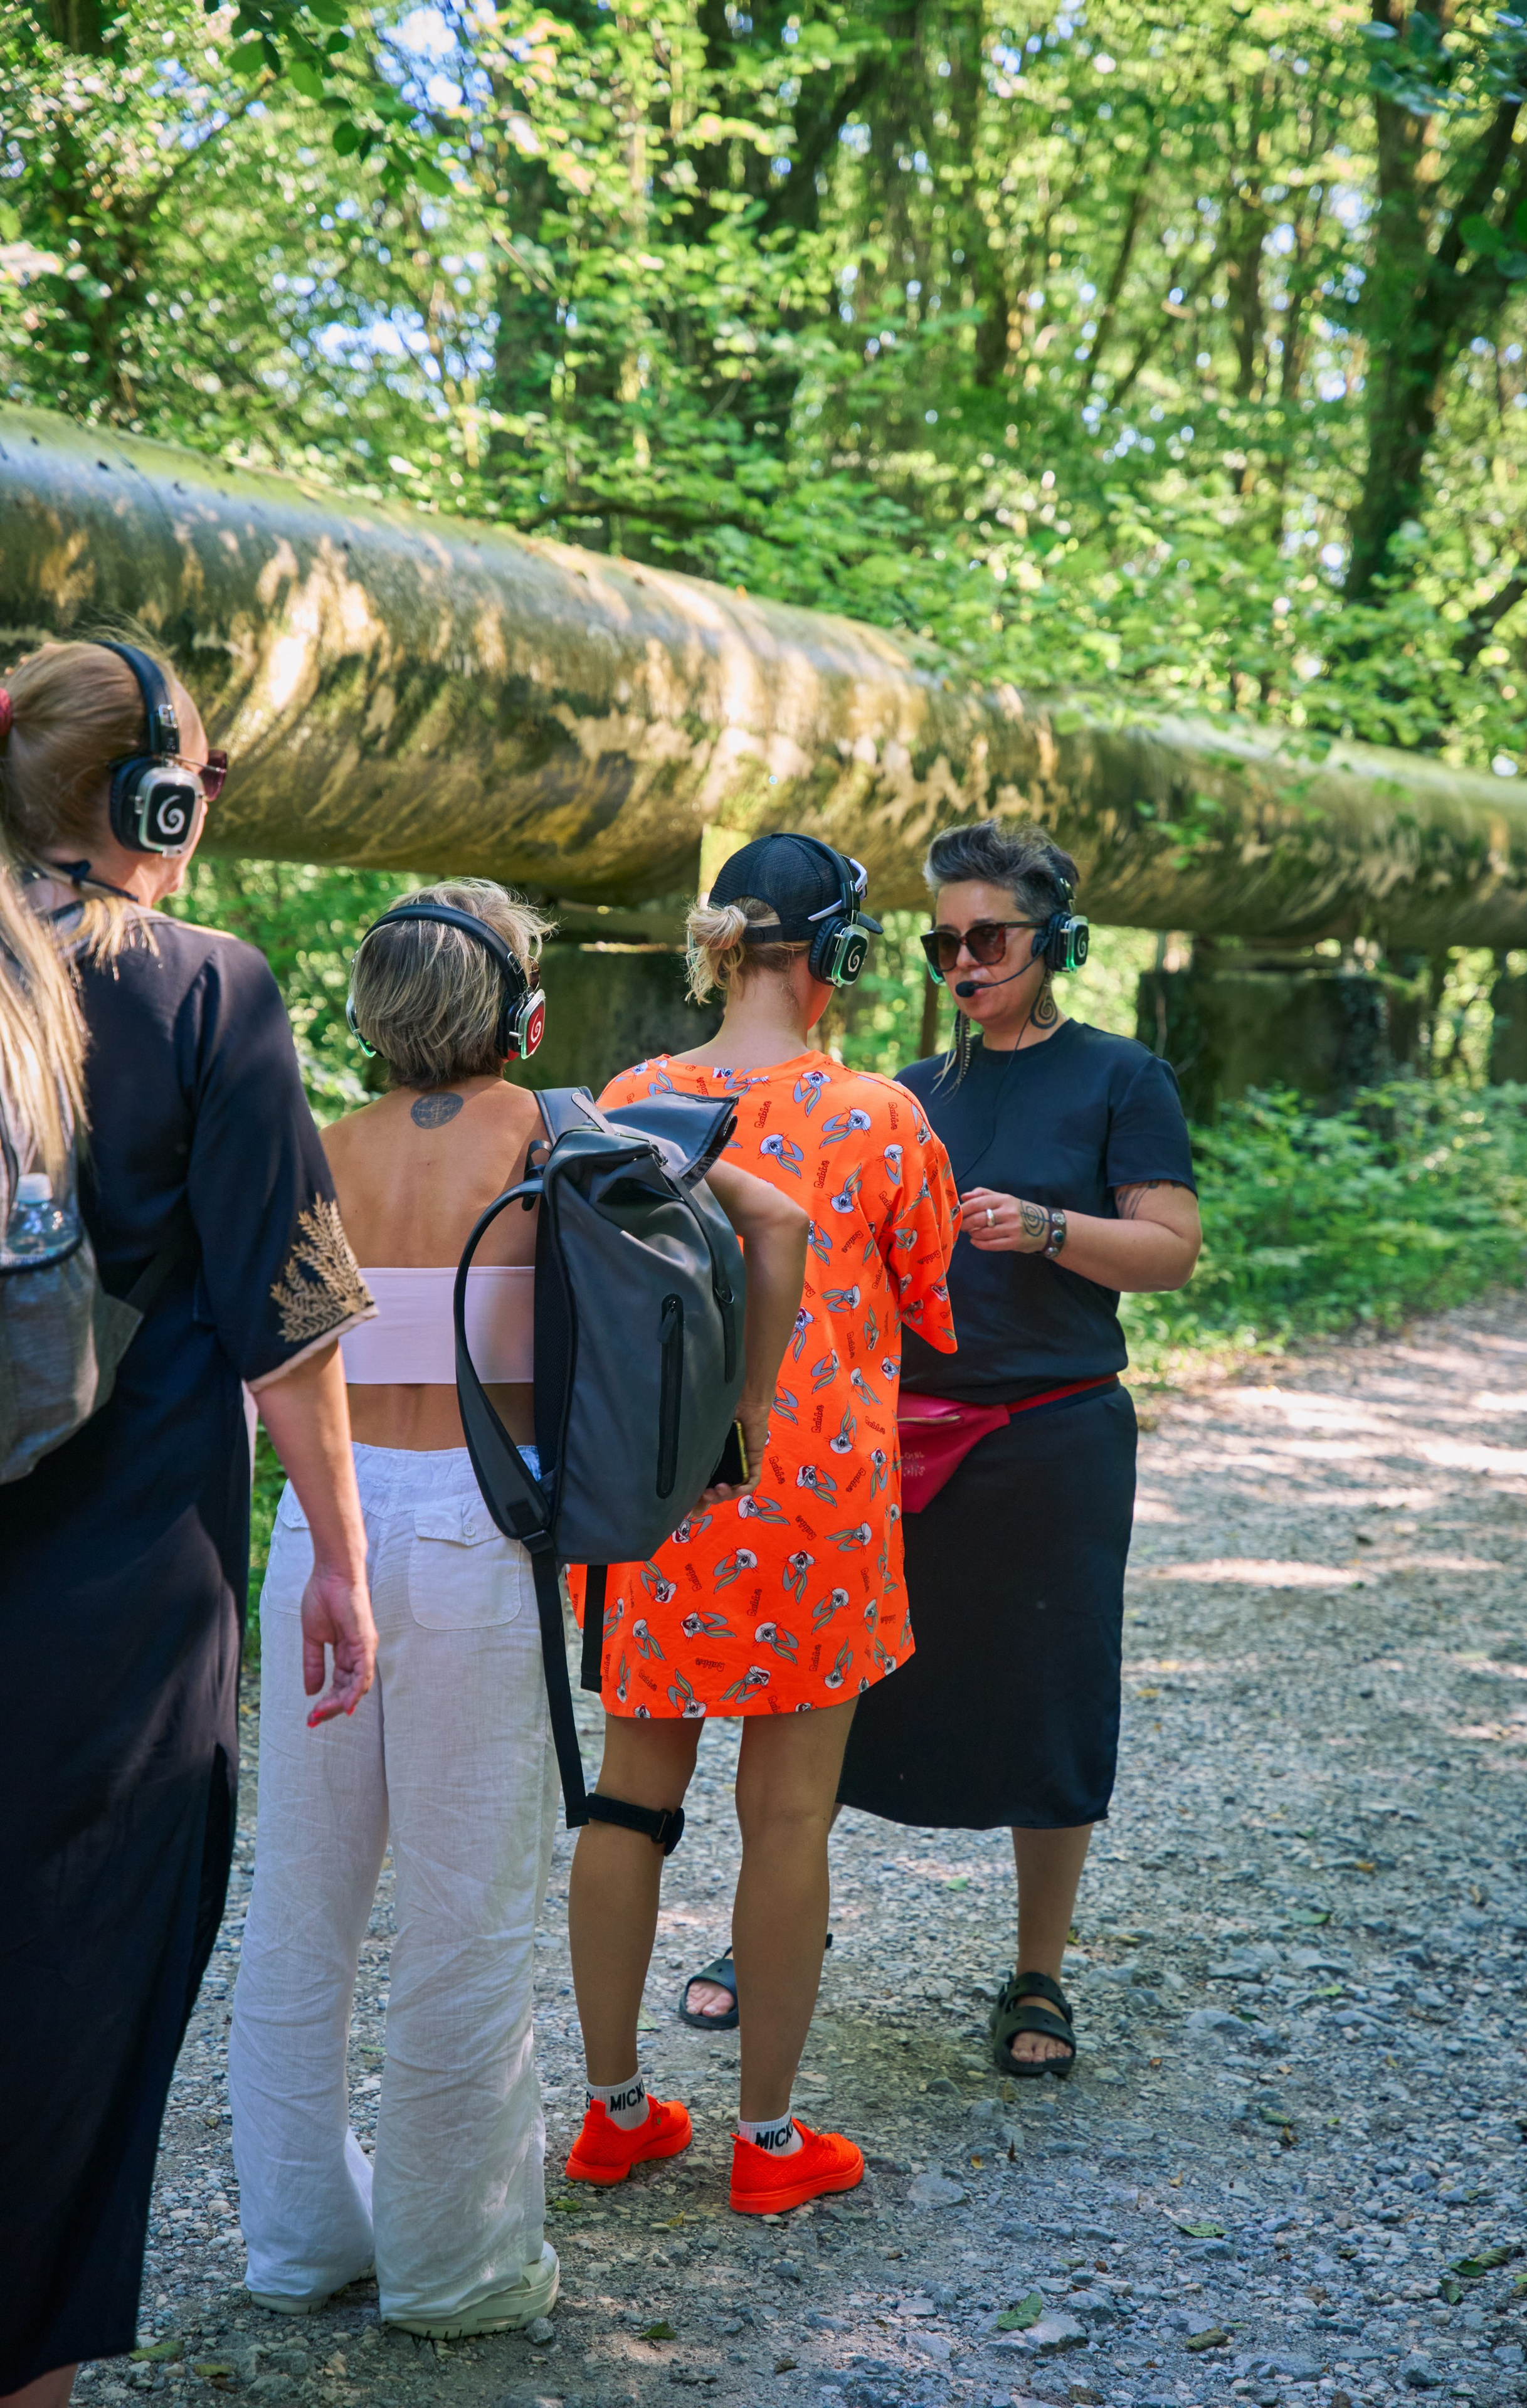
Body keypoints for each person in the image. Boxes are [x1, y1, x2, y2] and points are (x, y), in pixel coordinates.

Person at [228, 880, 809, 2332]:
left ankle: (300, 2240)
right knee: (463, 1909)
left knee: (300, 1903)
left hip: (327, 1535)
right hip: (483, 1540)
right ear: (517, 1013)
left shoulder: (306, 1151)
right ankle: (454, 2266)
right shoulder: (559, 1135)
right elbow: (773, 1218)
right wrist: (734, 1418)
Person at [0, 640, 378, 2408]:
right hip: (118, 1616)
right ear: (151, 798)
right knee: (73, 1992)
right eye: (204, 785)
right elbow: (290, 1330)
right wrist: (348, 1566)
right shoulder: (210, 992)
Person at [564, 835, 959, 2215]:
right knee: (788, 1816)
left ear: (719, 945)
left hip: (653, 1494)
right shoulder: (883, 1116)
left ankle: (614, 2113)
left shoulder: (625, 1099)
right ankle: (768, 2143)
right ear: (836, 959)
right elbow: (926, 1290)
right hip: (812, 1507)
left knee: (629, 1796)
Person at [837, 816, 1200, 2077]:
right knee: (836, 1689)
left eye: (985, 935)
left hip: (1053, 1436)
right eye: (940, 940)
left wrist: (1047, 1229)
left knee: (1051, 1700)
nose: (960, 959)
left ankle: (1037, 1973)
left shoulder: (1118, 1078)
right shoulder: (905, 1092)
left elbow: (1168, 1252)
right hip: (898, 1432)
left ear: (1054, 940)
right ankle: (775, 1932)